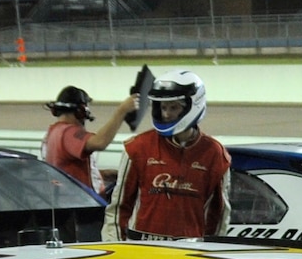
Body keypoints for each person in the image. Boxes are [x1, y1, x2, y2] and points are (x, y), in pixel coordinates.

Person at [112, 69, 232, 241]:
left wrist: (212, 252)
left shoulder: (215, 154)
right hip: (142, 248)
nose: (166, 114)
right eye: (163, 107)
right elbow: (118, 208)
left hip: (190, 250)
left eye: (174, 107)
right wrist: (116, 248)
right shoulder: (137, 148)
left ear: (194, 104)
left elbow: (219, 214)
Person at [40, 82, 138, 196]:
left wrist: (102, 175)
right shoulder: (67, 132)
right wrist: (122, 111)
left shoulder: (51, 134)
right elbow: (100, 142)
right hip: (80, 206)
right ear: (80, 111)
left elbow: (66, 173)